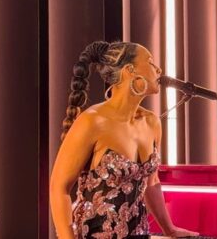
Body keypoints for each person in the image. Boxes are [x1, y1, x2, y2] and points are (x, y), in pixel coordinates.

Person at [50, 41, 198, 239]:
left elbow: (151, 183)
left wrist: (169, 229)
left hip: (139, 234)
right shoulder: (92, 121)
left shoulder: (151, 122)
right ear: (130, 70)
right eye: (151, 62)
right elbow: (59, 187)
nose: (158, 69)